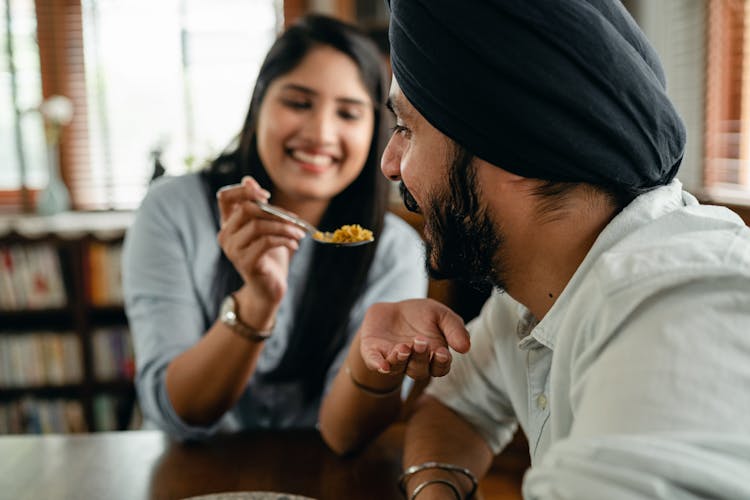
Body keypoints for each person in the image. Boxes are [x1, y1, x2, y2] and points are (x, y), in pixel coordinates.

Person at [318, 1, 750, 498]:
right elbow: (455, 408)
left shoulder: (687, 315)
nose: (390, 165)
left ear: (511, 146)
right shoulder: (540, 289)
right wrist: (435, 487)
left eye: (407, 129)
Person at [122, 14, 427, 441]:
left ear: (376, 129)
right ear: (259, 104)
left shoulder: (393, 251)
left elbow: (347, 435)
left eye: (349, 113)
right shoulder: (173, 210)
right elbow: (179, 412)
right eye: (299, 103)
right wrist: (258, 301)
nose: (321, 133)